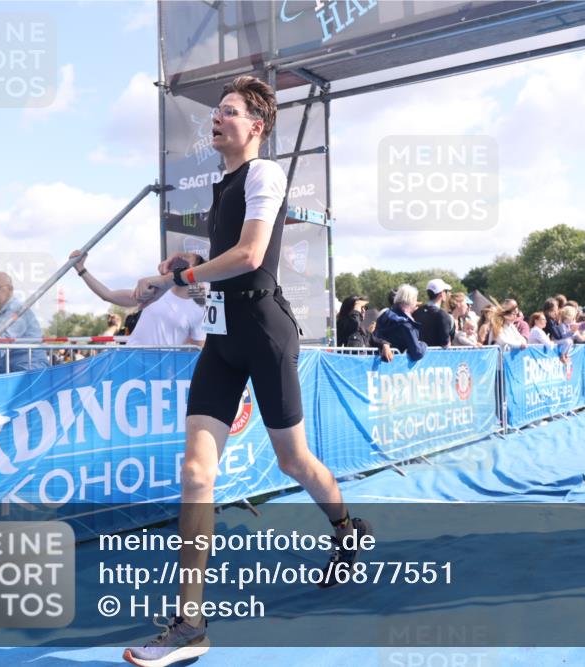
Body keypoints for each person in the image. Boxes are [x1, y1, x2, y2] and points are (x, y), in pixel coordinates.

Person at [123, 75, 369, 667]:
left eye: (229, 112)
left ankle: (346, 528)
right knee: (195, 474)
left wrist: (184, 276)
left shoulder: (265, 173)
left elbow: (253, 255)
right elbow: (224, 260)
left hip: (263, 332)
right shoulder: (222, 182)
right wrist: (192, 263)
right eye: (215, 113)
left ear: (256, 127)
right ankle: (189, 624)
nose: (217, 119)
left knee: (293, 460)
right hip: (222, 338)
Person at [71, 250, 205, 348]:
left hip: (161, 374)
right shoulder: (153, 291)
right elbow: (107, 295)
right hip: (131, 362)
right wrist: (81, 269)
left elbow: (199, 350)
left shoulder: (200, 309)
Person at [374, 284, 428, 361]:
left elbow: (374, 337)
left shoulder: (384, 315)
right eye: (415, 299)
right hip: (397, 367)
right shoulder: (406, 324)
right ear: (412, 301)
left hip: (378, 365)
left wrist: (384, 344)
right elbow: (417, 353)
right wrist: (423, 344)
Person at [335, 295, 393, 360]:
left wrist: (385, 345)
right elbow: (354, 323)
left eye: (365, 307)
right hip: (346, 366)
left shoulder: (362, 328)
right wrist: (356, 310)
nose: (363, 310)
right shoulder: (345, 324)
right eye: (360, 307)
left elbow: (375, 339)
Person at [412, 278, 454, 348]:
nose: (446, 294)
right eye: (446, 292)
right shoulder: (442, 315)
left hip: (419, 355)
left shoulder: (417, 312)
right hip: (437, 357)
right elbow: (445, 344)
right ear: (442, 294)